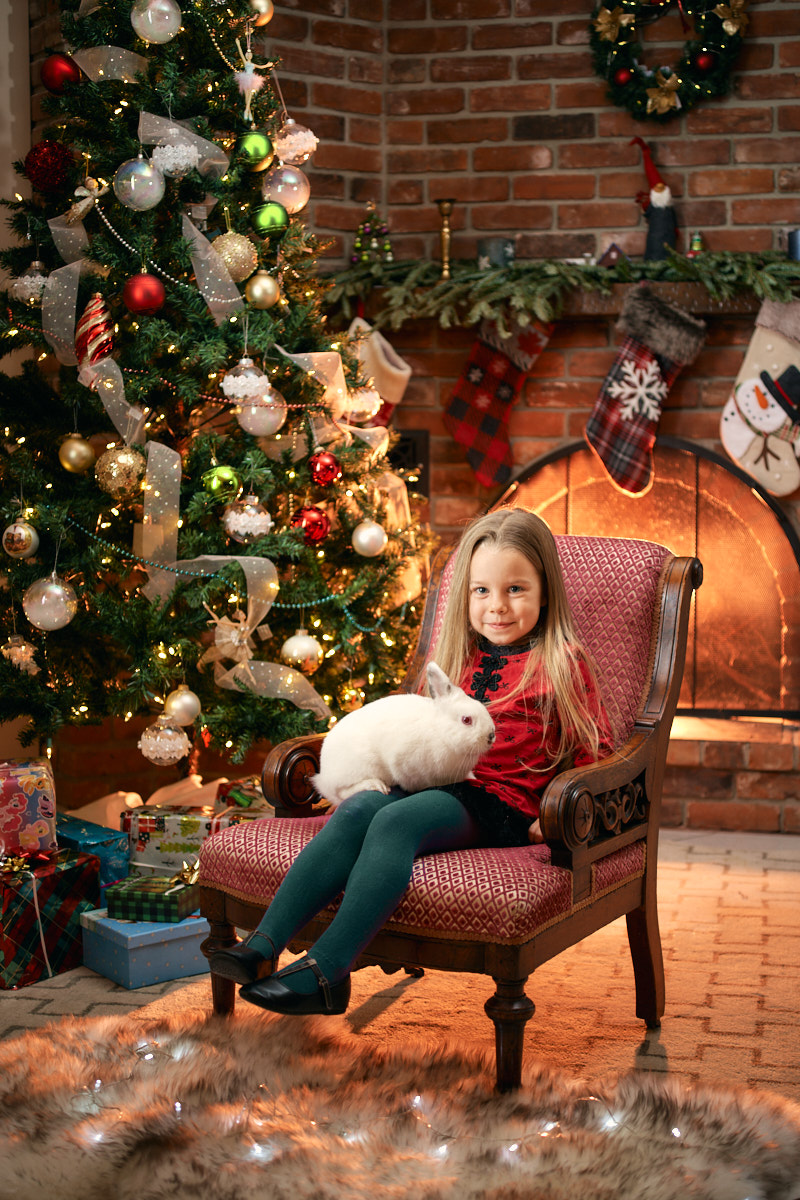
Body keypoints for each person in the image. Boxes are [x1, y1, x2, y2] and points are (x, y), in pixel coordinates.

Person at [210, 508, 612, 1016]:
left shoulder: (561, 660)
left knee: (398, 820)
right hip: (438, 787)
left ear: (545, 592)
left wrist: (554, 817)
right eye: (482, 591)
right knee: (359, 809)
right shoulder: (459, 656)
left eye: (516, 589)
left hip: (503, 804)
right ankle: (262, 946)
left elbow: (592, 751)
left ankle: (328, 970)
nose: (498, 607)